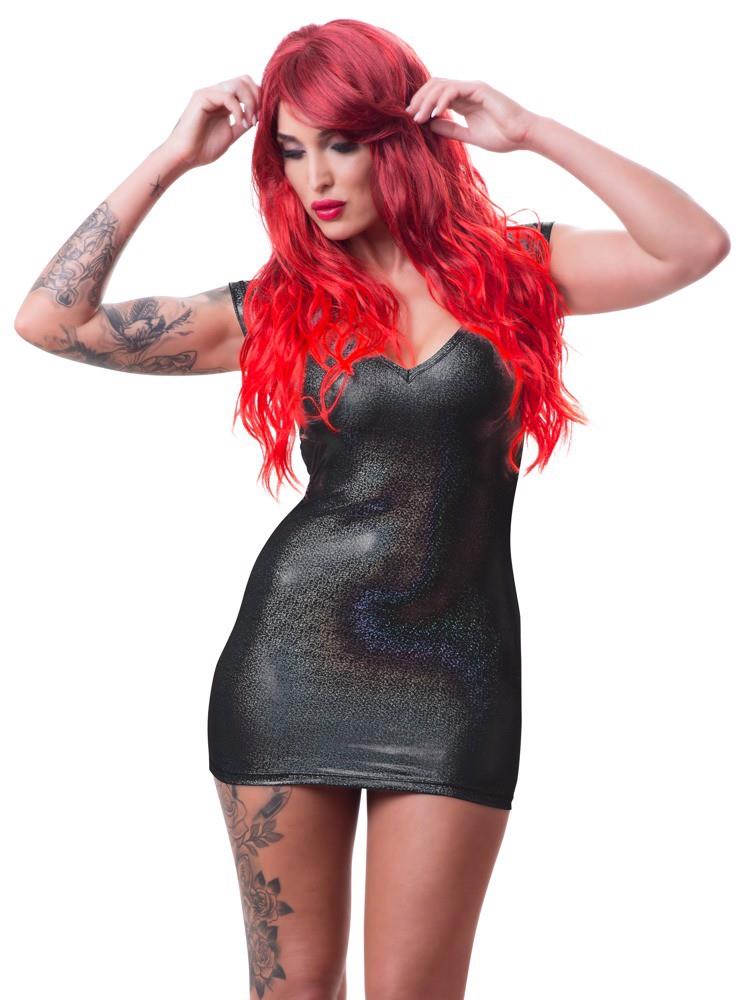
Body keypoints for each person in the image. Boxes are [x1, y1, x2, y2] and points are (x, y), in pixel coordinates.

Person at [14, 17, 730, 1000]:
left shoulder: (519, 271)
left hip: (455, 674)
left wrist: (531, 131)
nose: (316, 177)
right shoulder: (278, 306)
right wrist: (173, 158)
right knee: (294, 990)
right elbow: (52, 321)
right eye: (291, 151)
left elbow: (692, 246)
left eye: (341, 143)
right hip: (289, 660)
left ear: (399, 139)